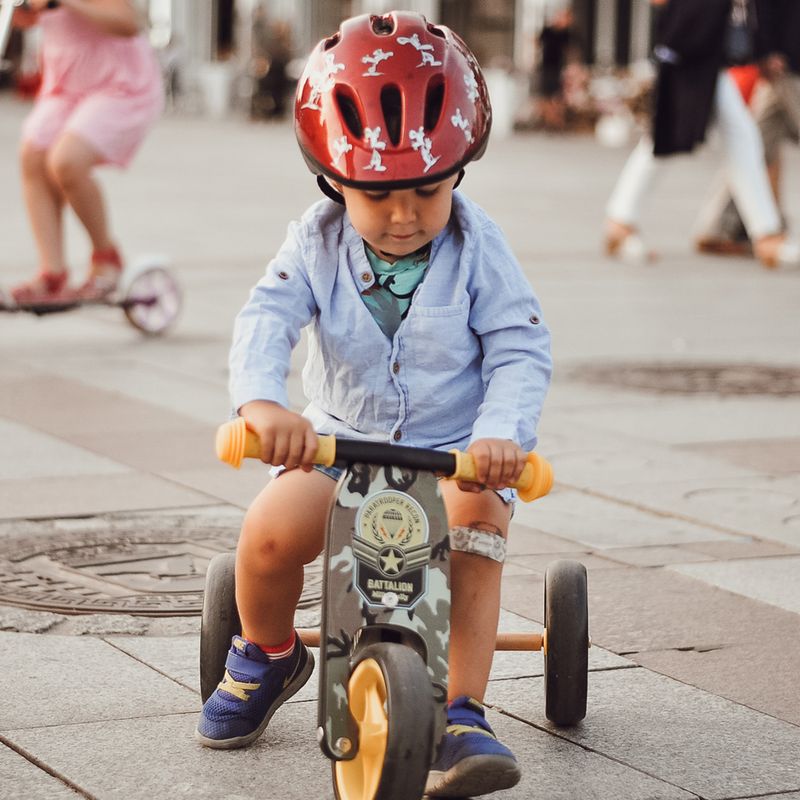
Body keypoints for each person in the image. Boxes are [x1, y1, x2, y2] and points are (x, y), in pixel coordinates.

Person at [195, 11, 552, 799]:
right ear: (331, 180)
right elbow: (267, 318)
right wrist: (262, 405)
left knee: (476, 533)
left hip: (454, 449)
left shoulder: (479, 248)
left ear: (461, 167)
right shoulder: (314, 242)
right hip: (339, 443)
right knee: (265, 538)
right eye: (378, 193)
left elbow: (521, 347)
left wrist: (500, 437)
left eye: (428, 187)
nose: (404, 215)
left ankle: (461, 709)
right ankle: (267, 651)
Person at [604, 0, 799, 269]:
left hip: (699, 49)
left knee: (731, 139)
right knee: (670, 139)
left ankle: (621, 219)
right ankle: (766, 235)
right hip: (690, 49)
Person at [9, 0, 163, 307]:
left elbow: (129, 23)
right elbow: (29, 19)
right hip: (68, 86)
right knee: (32, 154)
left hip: (119, 85)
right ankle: (52, 273)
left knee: (66, 160)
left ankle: (106, 258)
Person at [695, 0, 800, 256]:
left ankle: (718, 227)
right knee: (751, 143)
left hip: (783, 59)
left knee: (753, 144)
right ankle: (722, 228)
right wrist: (765, 50)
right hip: (788, 61)